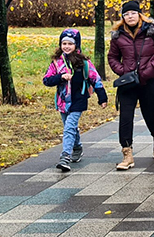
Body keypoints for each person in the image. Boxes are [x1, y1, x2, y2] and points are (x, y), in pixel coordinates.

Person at [107, 0, 154, 171]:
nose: (130, 16)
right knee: (125, 117)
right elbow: (112, 57)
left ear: (139, 14)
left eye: (133, 13)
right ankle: (127, 154)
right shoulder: (118, 35)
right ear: (123, 17)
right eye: (126, 14)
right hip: (128, 82)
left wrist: (150, 69)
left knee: (149, 116)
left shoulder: (152, 31)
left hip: (151, 81)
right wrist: (123, 71)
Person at [42, 29, 107, 172]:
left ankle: (65, 157)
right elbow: (46, 80)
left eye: (70, 44)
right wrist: (60, 77)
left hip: (79, 99)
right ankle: (77, 147)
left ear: (76, 45)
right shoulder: (56, 63)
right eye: (64, 43)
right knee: (69, 127)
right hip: (62, 101)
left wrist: (102, 97)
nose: (66, 46)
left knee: (69, 127)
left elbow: (95, 79)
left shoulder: (83, 62)